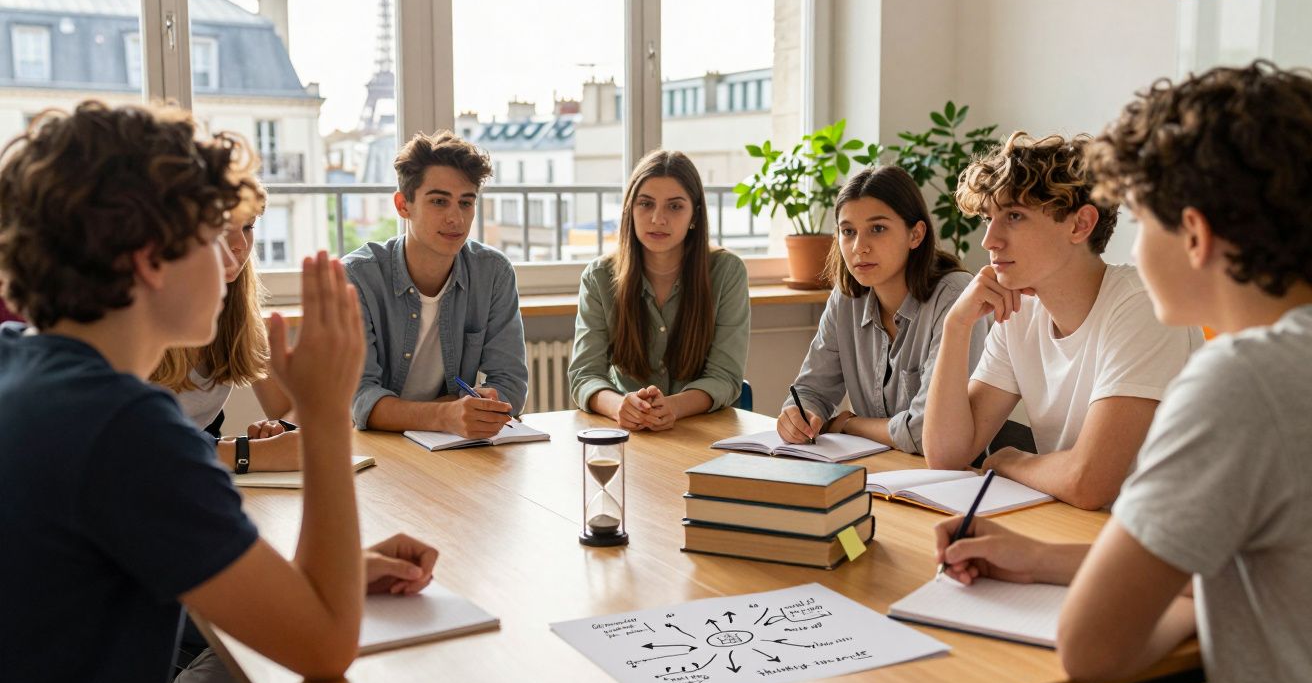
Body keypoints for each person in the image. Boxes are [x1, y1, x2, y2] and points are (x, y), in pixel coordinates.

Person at [0, 101, 437, 683]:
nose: (233, 260)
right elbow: (325, 646)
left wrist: (320, 575)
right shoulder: (126, 429)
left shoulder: (17, 360)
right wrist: (325, 416)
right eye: (213, 236)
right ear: (151, 259)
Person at [934, 61, 1312, 683]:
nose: (1132, 250)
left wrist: (1196, 597)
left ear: (1193, 233)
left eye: (1141, 220)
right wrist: (1040, 558)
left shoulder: (1243, 381)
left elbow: (1093, 645)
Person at [922, 132, 1202, 510]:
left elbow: (1089, 485)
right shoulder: (1019, 311)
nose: (989, 240)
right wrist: (955, 326)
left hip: (1168, 548)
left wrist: (1012, 460)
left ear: (1079, 225)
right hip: (1083, 528)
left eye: (1014, 216)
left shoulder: (1141, 307)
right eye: (990, 218)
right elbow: (947, 456)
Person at [776, 165, 987, 452]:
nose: (859, 247)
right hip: (876, 471)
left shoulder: (955, 297)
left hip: (949, 479)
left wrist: (850, 424)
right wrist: (798, 416)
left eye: (877, 229)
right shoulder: (846, 298)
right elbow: (811, 391)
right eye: (848, 231)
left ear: (916, 235)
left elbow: (926, 431)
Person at [345, 130, 528, 438]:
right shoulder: (357, 277)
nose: (455, 218)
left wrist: (474, 409)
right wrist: (446, 413)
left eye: (466, 203)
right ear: (403, 205)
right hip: (380, 448)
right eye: (439, 201)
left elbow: (510, 384)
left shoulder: (493, 272)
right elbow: (360, 400)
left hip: (454, 447)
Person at [568, 150, 749, 431]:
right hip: (629, 433)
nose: (658, 218)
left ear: (694, 215)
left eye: (675, 206)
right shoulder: (599, 277)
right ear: (630, 209)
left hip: (701, 433)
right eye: (646, 204)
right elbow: (584, 375)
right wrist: (620, 407)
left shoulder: (727, 272)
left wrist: (674, 406)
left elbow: (724, 376)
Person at [151, 180, 301, 471]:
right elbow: (127, 448)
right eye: (222, 228)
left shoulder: (236, 311)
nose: (240, 245)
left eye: (248, 227)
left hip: (193, 479)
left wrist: (281, 431)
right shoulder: (135, 315)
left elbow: (289, 410)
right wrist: (248, 454)